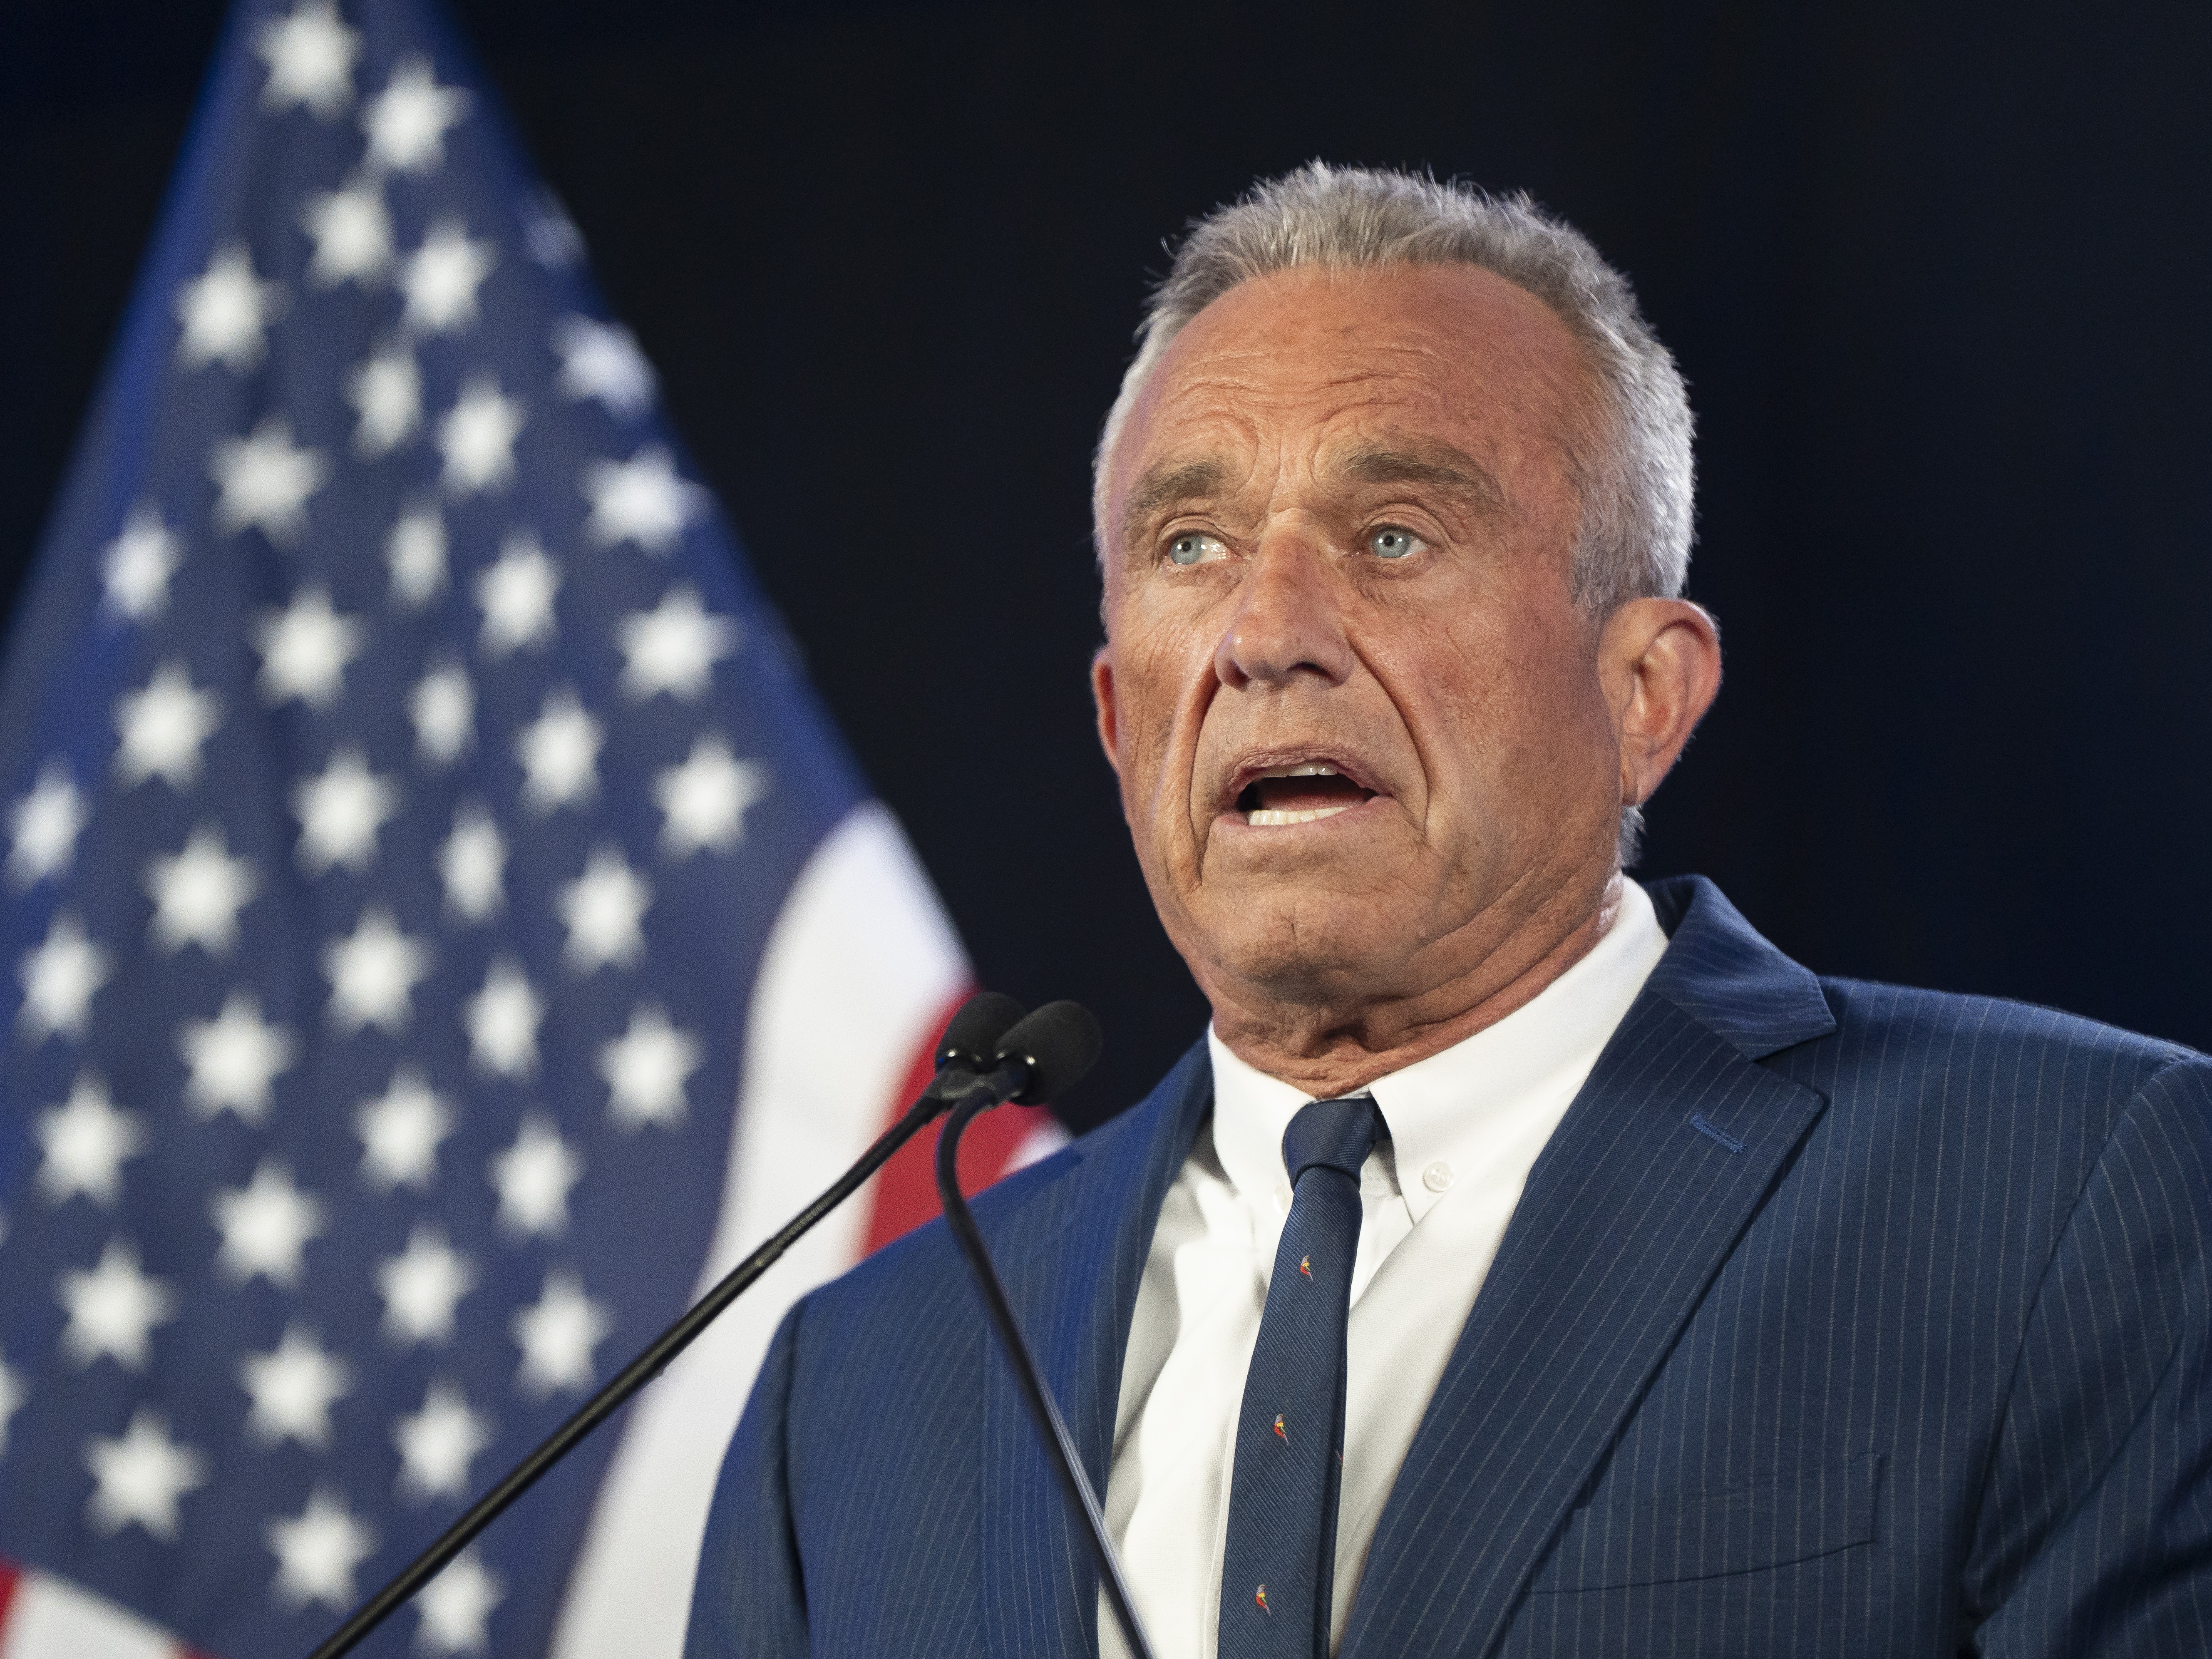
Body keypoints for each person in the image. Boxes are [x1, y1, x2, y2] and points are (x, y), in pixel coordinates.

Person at [684, 165, 2212, 1659]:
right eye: (1189, 548)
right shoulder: (864, 1380)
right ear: (1114, 717)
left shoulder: (2075, 1197)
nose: (1263, 635)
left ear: (1643, 694)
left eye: (1393, 535)